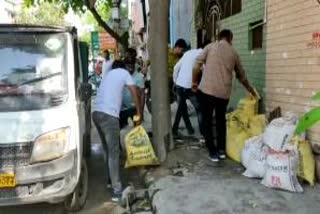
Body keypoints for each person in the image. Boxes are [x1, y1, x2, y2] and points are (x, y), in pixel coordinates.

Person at [192, 29, 256, 162]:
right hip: (223, 94)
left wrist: (194, 81)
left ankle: (212, 152)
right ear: (230, 39)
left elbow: (196, 65)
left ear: (219, 37)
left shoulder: (210, 47)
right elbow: (241, 76)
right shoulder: (234, 53)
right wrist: (250, 89)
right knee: (221, 120)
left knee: (207, 121)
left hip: (207, 91)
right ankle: (221, 150)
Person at [92, 60, 142, 202]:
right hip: (109, 116)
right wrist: (139, 112)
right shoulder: (124, 72)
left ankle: (110, 180)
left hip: (96, 114)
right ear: (123, 67)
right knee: (114, 153)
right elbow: (134, 91)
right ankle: (117, 190)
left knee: (107, 150)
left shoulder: (107, 75)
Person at [172, 46, 205, 137]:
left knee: (181, 108)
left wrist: (175, 81)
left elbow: (176, 68)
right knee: (199, 108)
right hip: (189, 86)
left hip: (179, 85)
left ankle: (179, 129)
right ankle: (202, 131)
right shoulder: (203, 54)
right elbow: (204, 70)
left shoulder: (187, 53)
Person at [120, 48, 145, 128]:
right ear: (125, 66)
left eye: (132, 66)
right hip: (122, 108)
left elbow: (142, 95)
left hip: (134, 108)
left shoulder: (139, 77)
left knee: (137, 129)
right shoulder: (120, 75)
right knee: (117, 129)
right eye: (128, 66)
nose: (130, 68)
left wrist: (140, 111)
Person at [168, 39, 188, 103]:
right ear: (177, 47)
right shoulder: (166, 52)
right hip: (165, 79)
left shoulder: (181, 57)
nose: (182, 52)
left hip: (176, 80)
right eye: (181, 50)